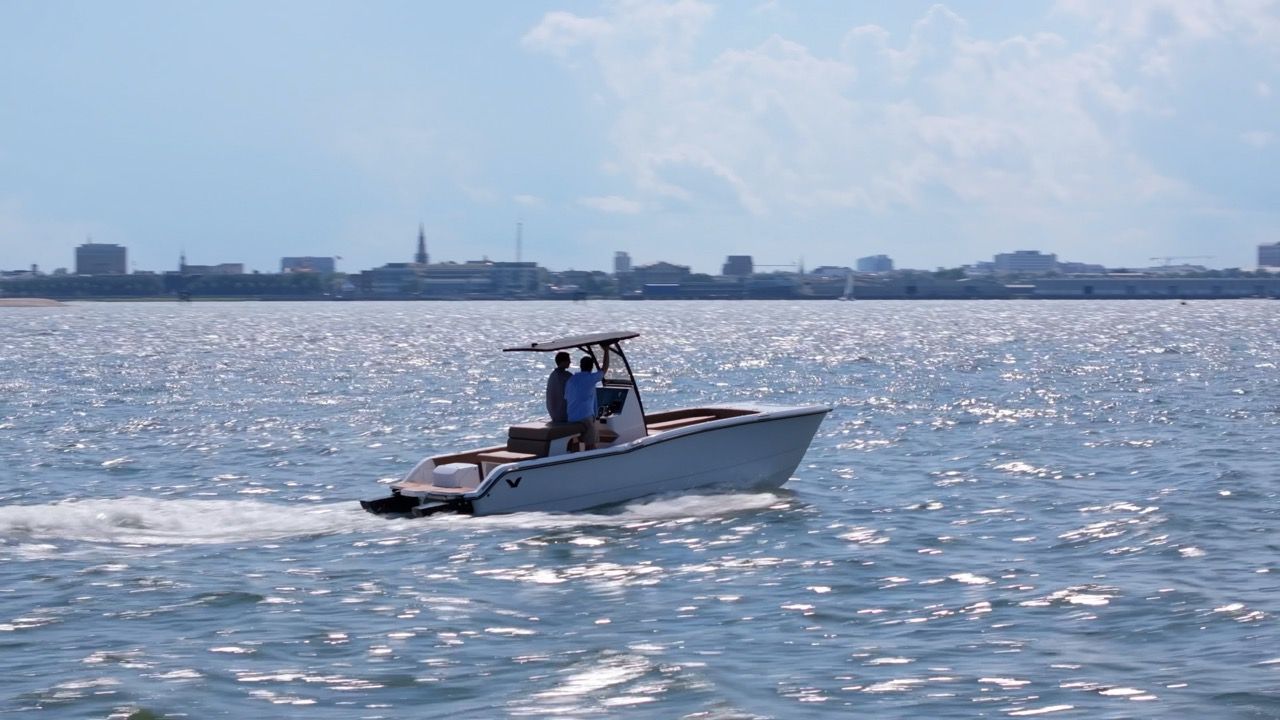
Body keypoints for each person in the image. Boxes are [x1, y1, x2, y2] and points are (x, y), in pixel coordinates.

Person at [564, 350, 610, 450]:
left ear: (581, 366)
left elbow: (567, 398)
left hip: (571, 417)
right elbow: (604, 369)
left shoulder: (571, 380)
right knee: (591, 444)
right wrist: (606, 350)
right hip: (584, 418)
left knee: (576, 440)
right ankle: (591, 459)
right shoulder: (590, 378)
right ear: (591, 367)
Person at [545, 352, 572, 423]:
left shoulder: (553, 375)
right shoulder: (566, 376)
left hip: (554, 414)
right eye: (568, 360)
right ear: (563, 361)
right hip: (562, 414)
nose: (570, 362)